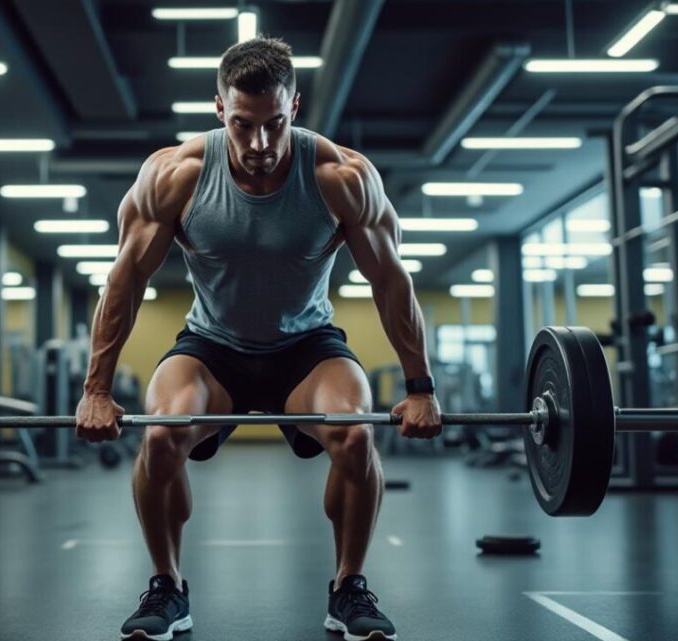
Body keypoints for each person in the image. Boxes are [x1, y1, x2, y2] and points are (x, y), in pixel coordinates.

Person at [75, 36, 442, 641]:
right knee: (161, 437)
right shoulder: (175, 175)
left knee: (356, 434)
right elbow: (126, 280)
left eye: (274, 124)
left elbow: (390, 282)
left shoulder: (341, 176)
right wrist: (96, 389)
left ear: (294, 106)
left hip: (307, 348)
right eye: (243, 125)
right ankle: (167, 587)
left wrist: (420, 387)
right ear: (220, 108)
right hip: (212, 347)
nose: (260, 144)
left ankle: (349, 587)